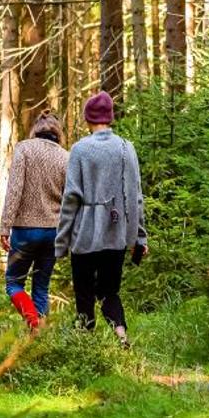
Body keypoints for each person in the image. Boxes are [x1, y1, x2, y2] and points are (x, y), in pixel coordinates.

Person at [55, 91, 147, 347]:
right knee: (109, 291)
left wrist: (61, 243)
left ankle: (85, 345)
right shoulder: (126, 148)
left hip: (85, 236)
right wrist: (139, 236)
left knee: (84, 293)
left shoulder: (80, 150)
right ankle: (121, 333)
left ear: (88, 119)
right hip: (116, 235)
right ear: (110, 117)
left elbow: (71, 197)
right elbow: (136, 196)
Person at [0, 112, 68, 329]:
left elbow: (14, 189)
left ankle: (33, 322)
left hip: (25, 230)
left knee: (13, 283)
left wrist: (5, 226)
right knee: (41, 287)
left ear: (36, 130)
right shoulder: (66, 157)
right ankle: (39, 337)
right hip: (54, 232)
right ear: (57, 133)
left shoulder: (24, 149)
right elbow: (70, 198)